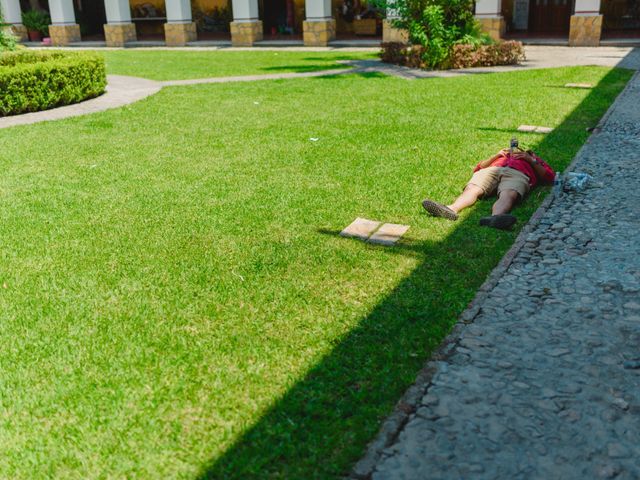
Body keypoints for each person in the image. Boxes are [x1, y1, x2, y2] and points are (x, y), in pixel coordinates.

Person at [422, 147, 555, 230]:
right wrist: (496, 156)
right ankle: (451, 209)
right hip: (492, 170)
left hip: (517, 174)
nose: (516, 150)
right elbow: (479, 167)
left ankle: (496, 217)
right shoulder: (501, 156)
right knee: (473, 188)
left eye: (520, 149)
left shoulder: (532, 159)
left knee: (509, 194)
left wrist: (530, 159)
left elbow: (549, 176)